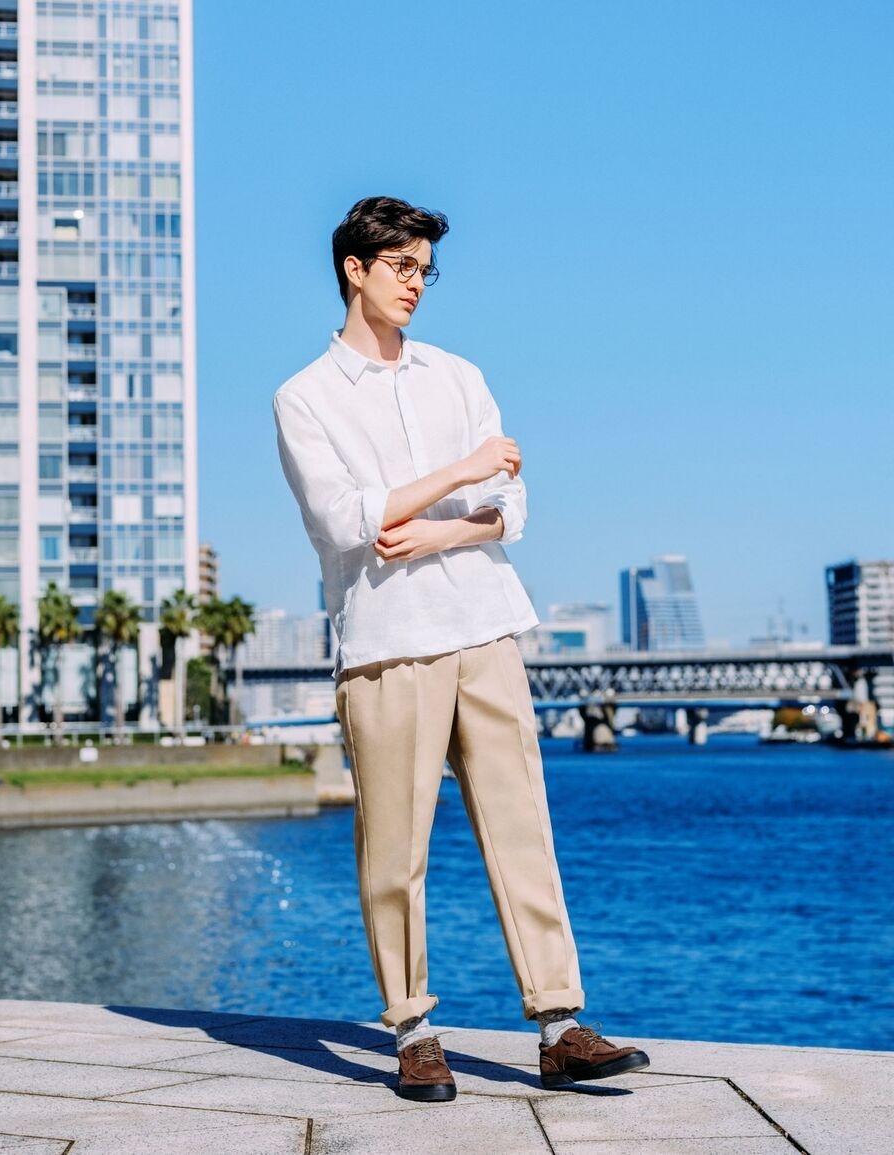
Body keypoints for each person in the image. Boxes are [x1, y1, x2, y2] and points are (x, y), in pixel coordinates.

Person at [273, 195, 649, 1102]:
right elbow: (348, 521)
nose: (416, 284)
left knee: (524, 827)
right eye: (402, 266)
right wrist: (458, 477)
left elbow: (511, 510)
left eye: (424, 269)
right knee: (393, 850)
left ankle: (560, 1025)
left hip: (485, 625)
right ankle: (413, 1030)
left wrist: (440, 531)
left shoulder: (460, 375)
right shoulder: (305, 397)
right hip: (386, 643)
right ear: (354, 269)